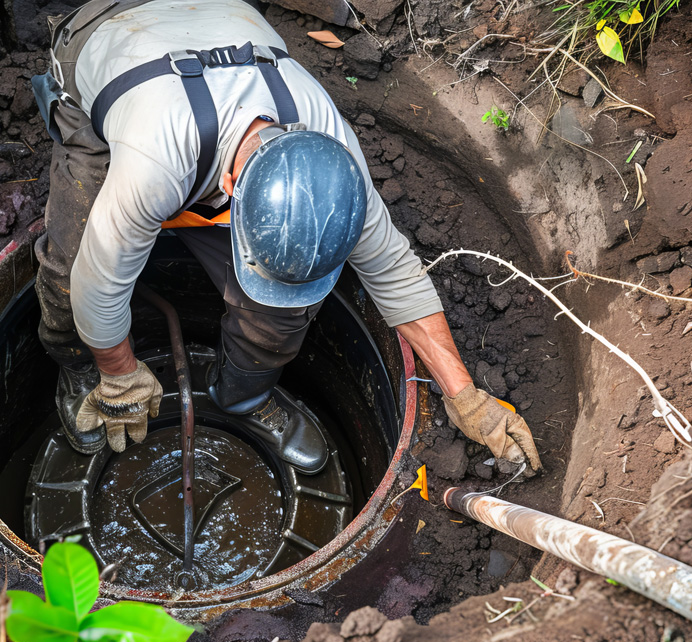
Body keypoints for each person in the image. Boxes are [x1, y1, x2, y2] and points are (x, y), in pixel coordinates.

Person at [28, 0, 541, 478]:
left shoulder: (333, 158)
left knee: (279, 311)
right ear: (230, 192)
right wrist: (119, 373)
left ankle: (241, 400)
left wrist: (465, 396)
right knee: (69, 270)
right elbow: (100, 281)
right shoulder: (153, 166)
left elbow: (395, 272)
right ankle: (80, 372)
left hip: (218, 21)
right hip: (111, 39)